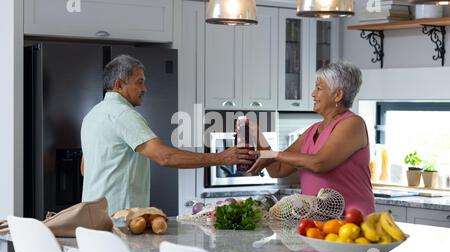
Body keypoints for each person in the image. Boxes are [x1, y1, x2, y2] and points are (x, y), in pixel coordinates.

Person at [81, 55, 253, 214]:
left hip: (93, 219)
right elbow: (165, 157)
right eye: (139, 82)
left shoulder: (92, 116)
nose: (145, 89)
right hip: (120, 220)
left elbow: (84, 169)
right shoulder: (124, 114)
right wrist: (222, 158)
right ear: (119, 85)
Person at [248, 61, 375, 215]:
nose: (313, 93)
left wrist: (273, 153)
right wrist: (257, 134)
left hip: (352, 221)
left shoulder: (353, 124)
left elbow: (319, 163)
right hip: (318, 222)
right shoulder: (313, 130)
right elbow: (277, 169)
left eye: (319, 88)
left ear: (338, 94)